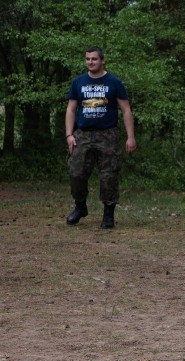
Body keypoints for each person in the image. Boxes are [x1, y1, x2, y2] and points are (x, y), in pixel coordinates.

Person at [65, 46, 137, 229]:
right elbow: (71, 109)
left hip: (108, 135)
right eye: (88, 59)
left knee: (109, 176)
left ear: (102, 60)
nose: (90, 62)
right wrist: (69, 135)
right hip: (83, 134)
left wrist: (130, 137)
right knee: (76, 172)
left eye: (94, 59)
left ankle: (108, 215)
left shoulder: (114, 82)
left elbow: (126, 110)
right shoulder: (78, 82)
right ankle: (80, 207)